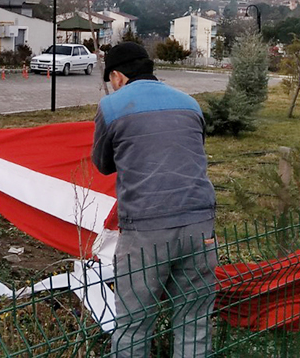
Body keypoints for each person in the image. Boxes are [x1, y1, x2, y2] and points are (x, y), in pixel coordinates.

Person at [91, 41, 217, 357]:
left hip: (146, 229)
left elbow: (103, 164)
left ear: (117, 76)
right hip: (200, 225)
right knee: (194, 320)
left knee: (134, 325)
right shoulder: (190, 103)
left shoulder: (112, 107)